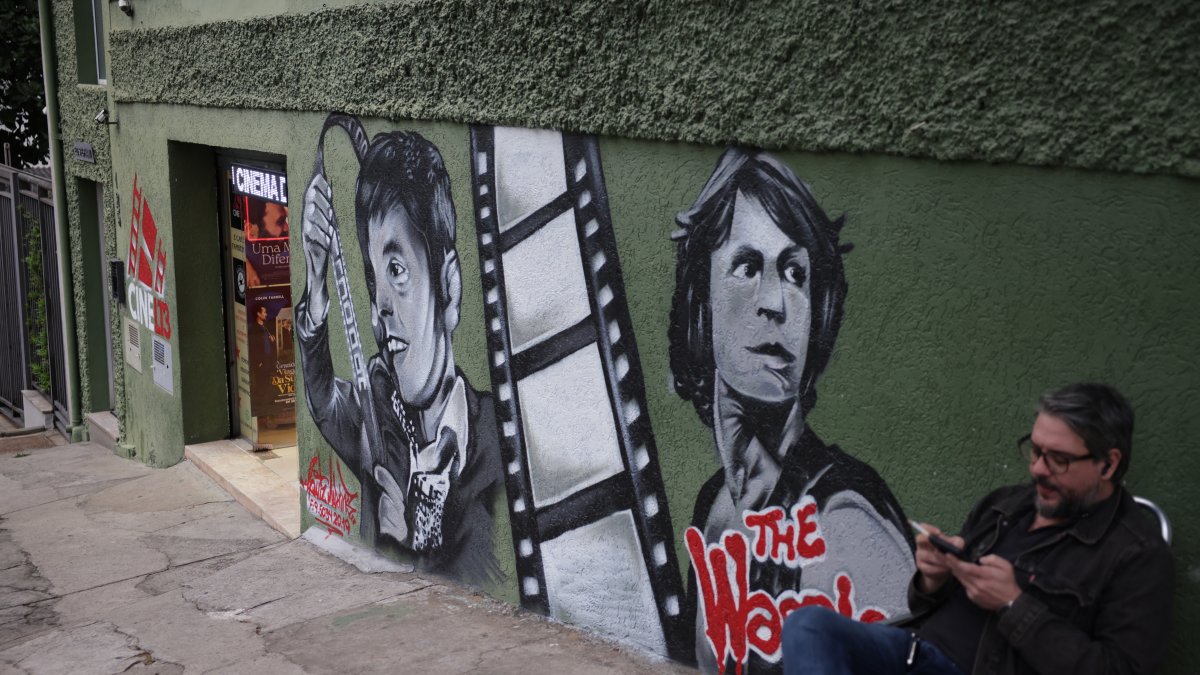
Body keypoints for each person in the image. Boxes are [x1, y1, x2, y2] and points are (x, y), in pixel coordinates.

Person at [670, 148, 915, 673]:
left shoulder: (843, 516)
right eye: (747, 266)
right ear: (701, 302)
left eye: (796, 273)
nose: (776, 301)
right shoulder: (713, 508)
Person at [782, 383, 1174, 675]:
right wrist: (933, 578)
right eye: (1035, 451)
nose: (1038, 469)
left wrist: (1014, 605)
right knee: (809, 625)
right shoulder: (1006, 505)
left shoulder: (1136, 555)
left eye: (1058, 459)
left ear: (1107, 465)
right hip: (914, 654)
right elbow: (928, 606)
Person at [296, 128, 502, 585]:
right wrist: (315, 277)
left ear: (449, 289)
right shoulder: (378, 422)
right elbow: (323, 398)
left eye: (397, 270)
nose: (380, 307)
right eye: (373, 280)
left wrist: (409, 543)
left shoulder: (497, 439)